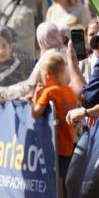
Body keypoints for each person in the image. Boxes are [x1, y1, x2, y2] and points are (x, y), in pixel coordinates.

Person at [0, 21, 67, 103]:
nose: (1, 51)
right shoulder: (67, 52)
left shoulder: (47, 59)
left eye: (4, 46)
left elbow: (28, 87)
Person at [31, 53, 79, 185]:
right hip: (71, 141)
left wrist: (35, 97)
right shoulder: (69, 91)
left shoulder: (49, 92)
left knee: (57, 183)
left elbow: (35, 113)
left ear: (47, 75)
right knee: (67, 182)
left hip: (57, 145)